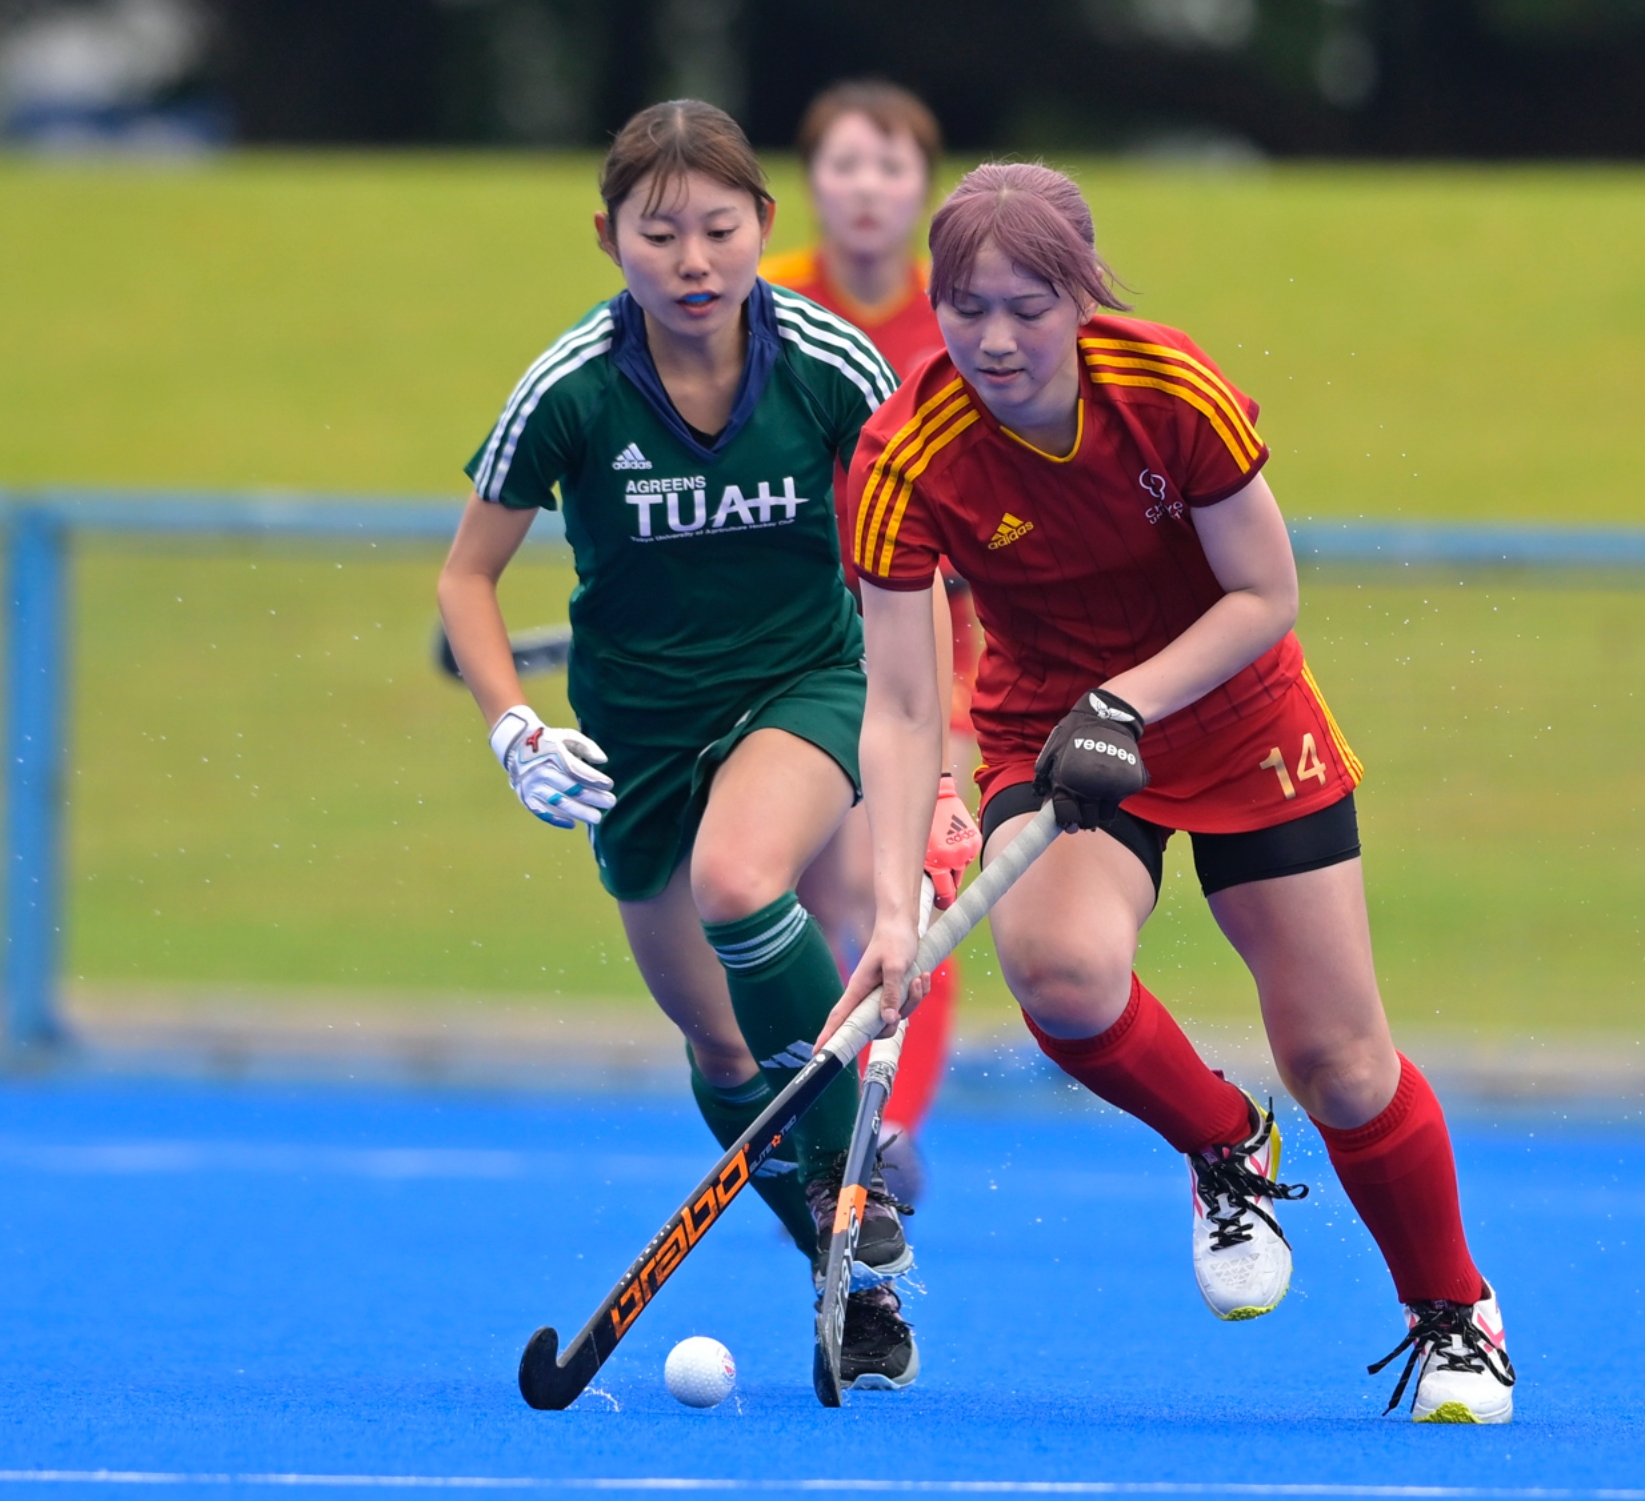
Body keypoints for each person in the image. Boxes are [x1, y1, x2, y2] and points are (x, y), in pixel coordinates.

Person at [828, 162, 1517, 1422]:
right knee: (1061, 973)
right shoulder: (902, 452)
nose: (994, 339)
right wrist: (887, 906)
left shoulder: (1168, 390)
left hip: (1239, 714)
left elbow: (1267, 593)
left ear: (1083, 295)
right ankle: (1224, 1143)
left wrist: (1129, 702)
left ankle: (1453, 1310)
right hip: (1050, 729)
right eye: (966, 307)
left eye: (1028, 307)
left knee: (1339, 1062)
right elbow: (904, 704)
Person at [437, 99, 918, 1390]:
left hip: (801, 686)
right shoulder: (571, 387)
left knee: (740, 884)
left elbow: (919, 545)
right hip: (637, 739)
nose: (693, 260)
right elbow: (466, 581)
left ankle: (853, 1168)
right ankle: (846, 1270)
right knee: (720, 1050)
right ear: (609, 239)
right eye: (659, 235)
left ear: (764, 223)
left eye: (718, 229)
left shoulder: (830, 363)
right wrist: (514, 726)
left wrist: (936, 736)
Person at [761, 80, 978, 1203]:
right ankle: (818, 1115)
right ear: (810, 183)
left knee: (897, 878)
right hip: (796, 633)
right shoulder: (760, 304)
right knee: (789, 891)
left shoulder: (968, 315)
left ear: (922, 189)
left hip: (934, 629)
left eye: (890, 167)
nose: (866, 189)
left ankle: (885, 1135)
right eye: (844, 164)